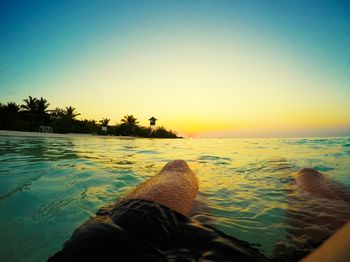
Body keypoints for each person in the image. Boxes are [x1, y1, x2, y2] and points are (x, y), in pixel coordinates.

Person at [48, 160, 350, 261]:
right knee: (309, 173)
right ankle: (288, 174)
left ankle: (200, 212)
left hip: (120, 248)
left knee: (178, 167)